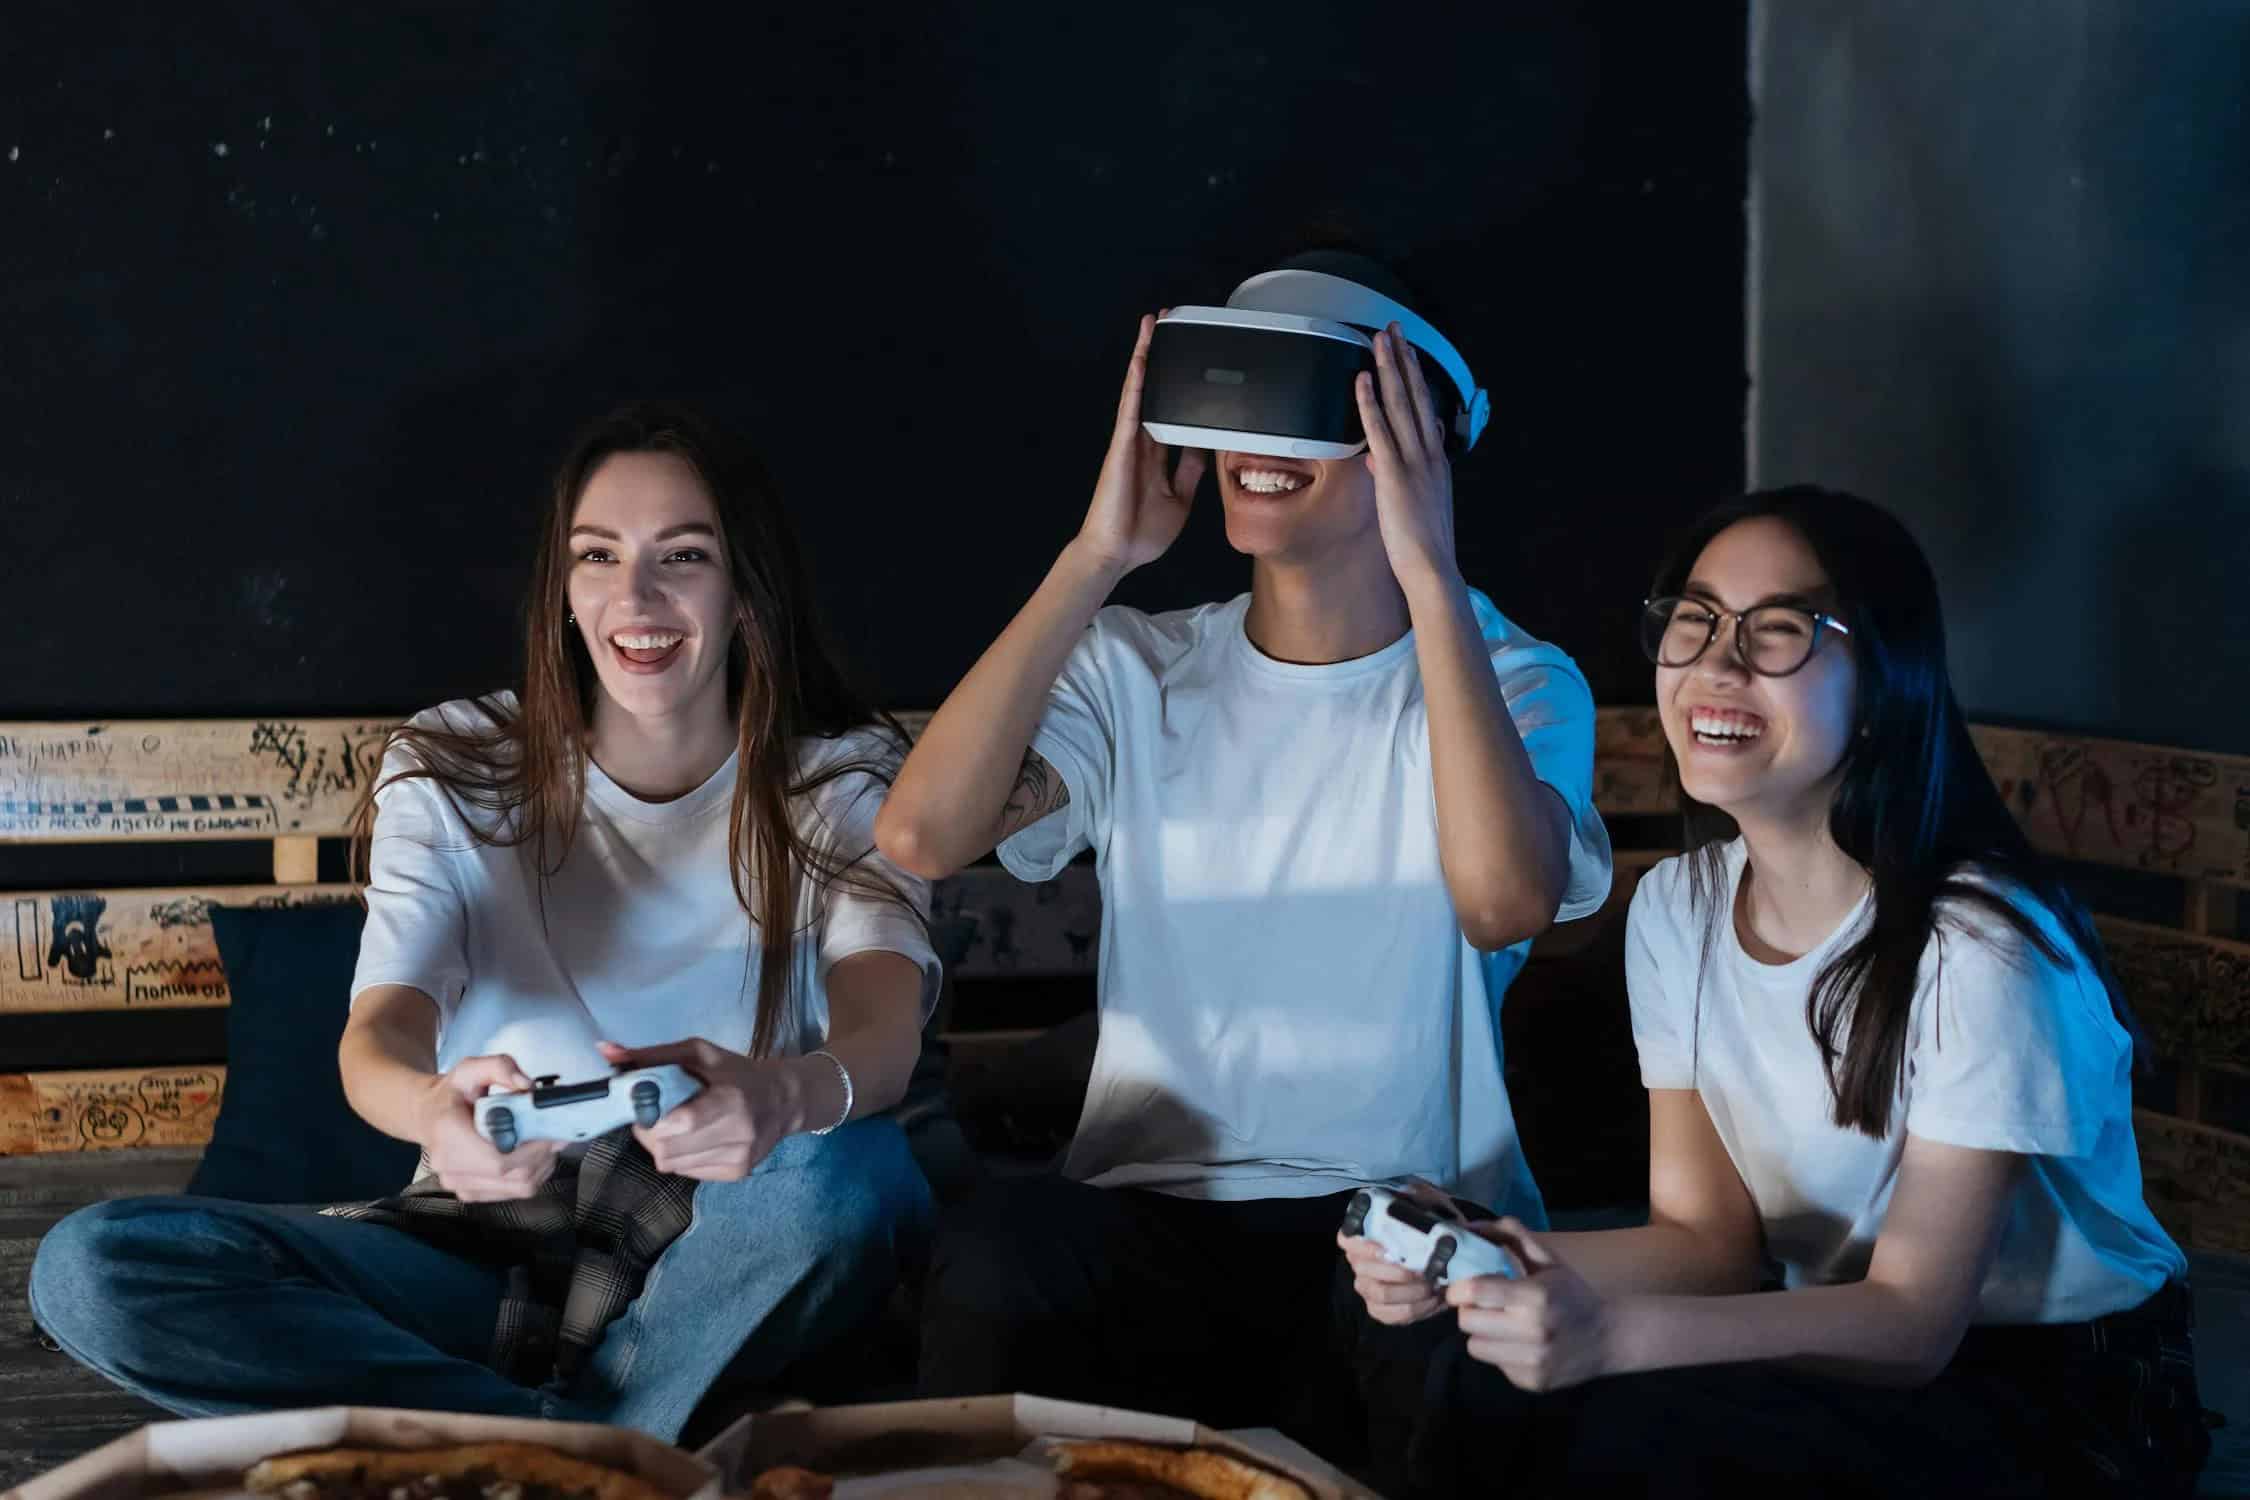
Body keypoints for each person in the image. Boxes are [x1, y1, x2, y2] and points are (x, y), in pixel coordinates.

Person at [30, 401, 941, 1441]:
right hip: (478, 1250)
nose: (632, 597)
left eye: (682, 556)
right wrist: (431, 1113)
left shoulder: (842, 774)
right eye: (597, 557)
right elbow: (380, 1033)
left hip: (730, 1250)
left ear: (746, 592)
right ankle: (602, 1447)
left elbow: (884, 1032)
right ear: (562, 587)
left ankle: (541, 1440)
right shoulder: (455, 762)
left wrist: (782, 1095)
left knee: (848, 1175)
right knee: (92, 1270)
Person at [1341, 486, 2210, 1497]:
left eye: (1781, 632)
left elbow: (1915, 1323)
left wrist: (1608, 1336)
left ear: (1884, 681)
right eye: (1696, 622)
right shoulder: (1678, 907)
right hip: (1835, 1327)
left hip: (2060, 1384)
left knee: (1629, 1427)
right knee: (1440, 1349)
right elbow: (1706, 1246)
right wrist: (1483, 1258)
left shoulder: (1980, 949)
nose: (1717, 664)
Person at [881, 252, 1613, 1433]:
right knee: (999, 1248)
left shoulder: (1520, 681)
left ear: (1413, 439)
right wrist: (1095, 558)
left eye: (1318, 409)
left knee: (1458, 1355)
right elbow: (921, 833)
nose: (1254, 445)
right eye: (1231, 403)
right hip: (1151, 1215)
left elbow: (1502, 904)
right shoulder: (1136, 666)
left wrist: (1430, 576)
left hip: (1397, 1234)